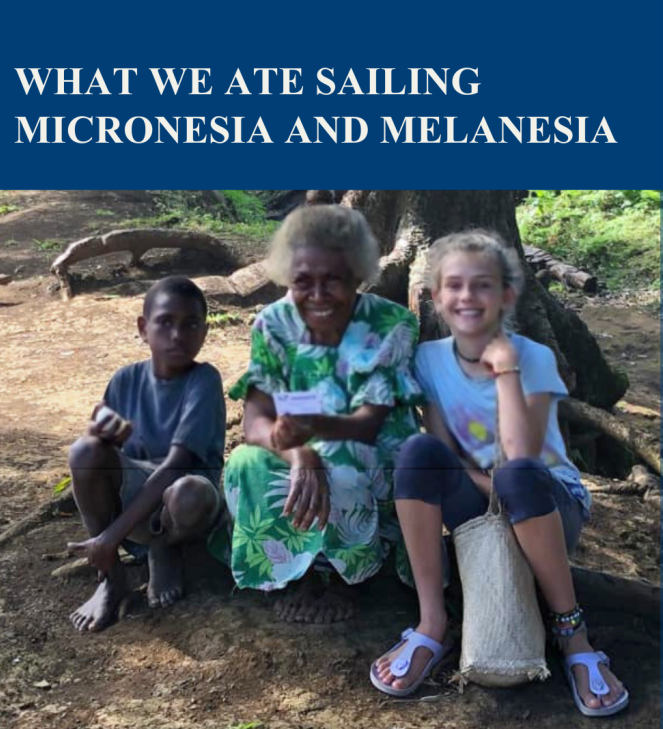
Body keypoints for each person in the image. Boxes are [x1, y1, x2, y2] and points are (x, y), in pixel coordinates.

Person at [371, 230, 628, 717]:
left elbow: (522, 452)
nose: (468, 297)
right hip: (482, 494)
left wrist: (506, 369)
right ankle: (432, 623)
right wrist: (483, 483)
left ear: (507, 295)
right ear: (435, 298)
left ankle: (574, 636)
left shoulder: (533, 356)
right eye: (454, 286)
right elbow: (443, 452)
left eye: (483, 285)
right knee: (417, 453)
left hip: (547, 502)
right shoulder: (427, 359)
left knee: (516, 474)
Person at [222, 204, 422, 624]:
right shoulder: (273, 324)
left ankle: (354, 579)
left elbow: (367, 422)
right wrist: (299, 454)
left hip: (370, 451)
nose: (316, 294)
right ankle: (300, 575)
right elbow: (256, 419)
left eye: (332, 280)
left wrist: (305, 433)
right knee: (244, 461)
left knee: (344, 462)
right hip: (301, 442)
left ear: (357, 274)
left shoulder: (391, 324)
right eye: (302, 282)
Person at [68, 275, 226, 632]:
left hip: (183, 510)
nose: (177, 335)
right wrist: (106, 536)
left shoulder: (204, 381)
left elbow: (176, 466)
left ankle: (163, 548)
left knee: (189, 491)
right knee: (84, 450)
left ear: (204, 332)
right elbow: (102, 448)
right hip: (135, 501)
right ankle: (109, 577)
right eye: (165, 322)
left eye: (190, 324)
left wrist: (113, 536)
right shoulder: (124, 380)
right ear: (143, 328)